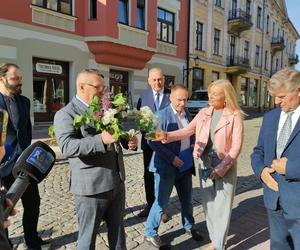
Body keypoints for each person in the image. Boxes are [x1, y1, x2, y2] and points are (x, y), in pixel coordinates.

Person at [54, 69, 138, 250]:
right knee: (88, 238)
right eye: (98, 87)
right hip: (90, 189)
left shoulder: (105, 108)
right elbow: (68, 147)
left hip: (116, 182)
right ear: (82, 86)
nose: (103, 92)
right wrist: (100, 140)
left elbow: (115, 134)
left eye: (103, 87)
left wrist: (128, 141)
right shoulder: (66, 114)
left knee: (118, 236)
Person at [155, 79, 244, 250]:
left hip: (225, 165)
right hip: (205, 163)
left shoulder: (234, 115)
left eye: (215, 94)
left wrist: (221, 168)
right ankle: (214, 239)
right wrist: (167, 135)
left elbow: (236, 148)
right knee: (209, 205)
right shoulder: (204, 112)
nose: (210, 97)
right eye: (209, 94)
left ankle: (219, 245)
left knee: (222, 207)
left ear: (225, 96)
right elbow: (187, 130)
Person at [145, 84, 203, 248]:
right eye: (179, 99)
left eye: (185, 99)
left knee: (187, 200)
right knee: (161, 202)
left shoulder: (189, 115)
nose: (183, 103)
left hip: (185, 165)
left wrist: (192, 146)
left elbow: (191, 135)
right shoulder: (160, 115)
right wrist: (172, 158)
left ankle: (189, 226)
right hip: (166, 167)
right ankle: (150, 233)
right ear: (170, 97)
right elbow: (152, 141)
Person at [0, 63, 49, 250]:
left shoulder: (24, 101)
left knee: (33, 203)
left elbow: (26, 131)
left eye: (21, 78)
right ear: (1, 78)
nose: (19, 82)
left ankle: (32, 240)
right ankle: (6, 244)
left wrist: (27, 153)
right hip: (2, 164)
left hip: (24, 163)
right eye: (15, 78)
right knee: (3, 209)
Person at [251, 68, 300, 249]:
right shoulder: (270, 117)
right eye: (274, 96)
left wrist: (290, 169)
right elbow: (258, 151)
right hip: (274, 200)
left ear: (298, 91)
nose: (276, 101)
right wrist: (261, 171)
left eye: (281, 96)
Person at [136, 67, 171, 219]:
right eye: (154, 80)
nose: (157, 82)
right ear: (149, 81)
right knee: (148, 174)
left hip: (166, 143)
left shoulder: (172, 96)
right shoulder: (143, 97)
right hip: (149, 144)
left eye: (160, 79)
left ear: (164, 79)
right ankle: (150, 204)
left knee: (164, 174)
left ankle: (162, 207)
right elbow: (140, 122)